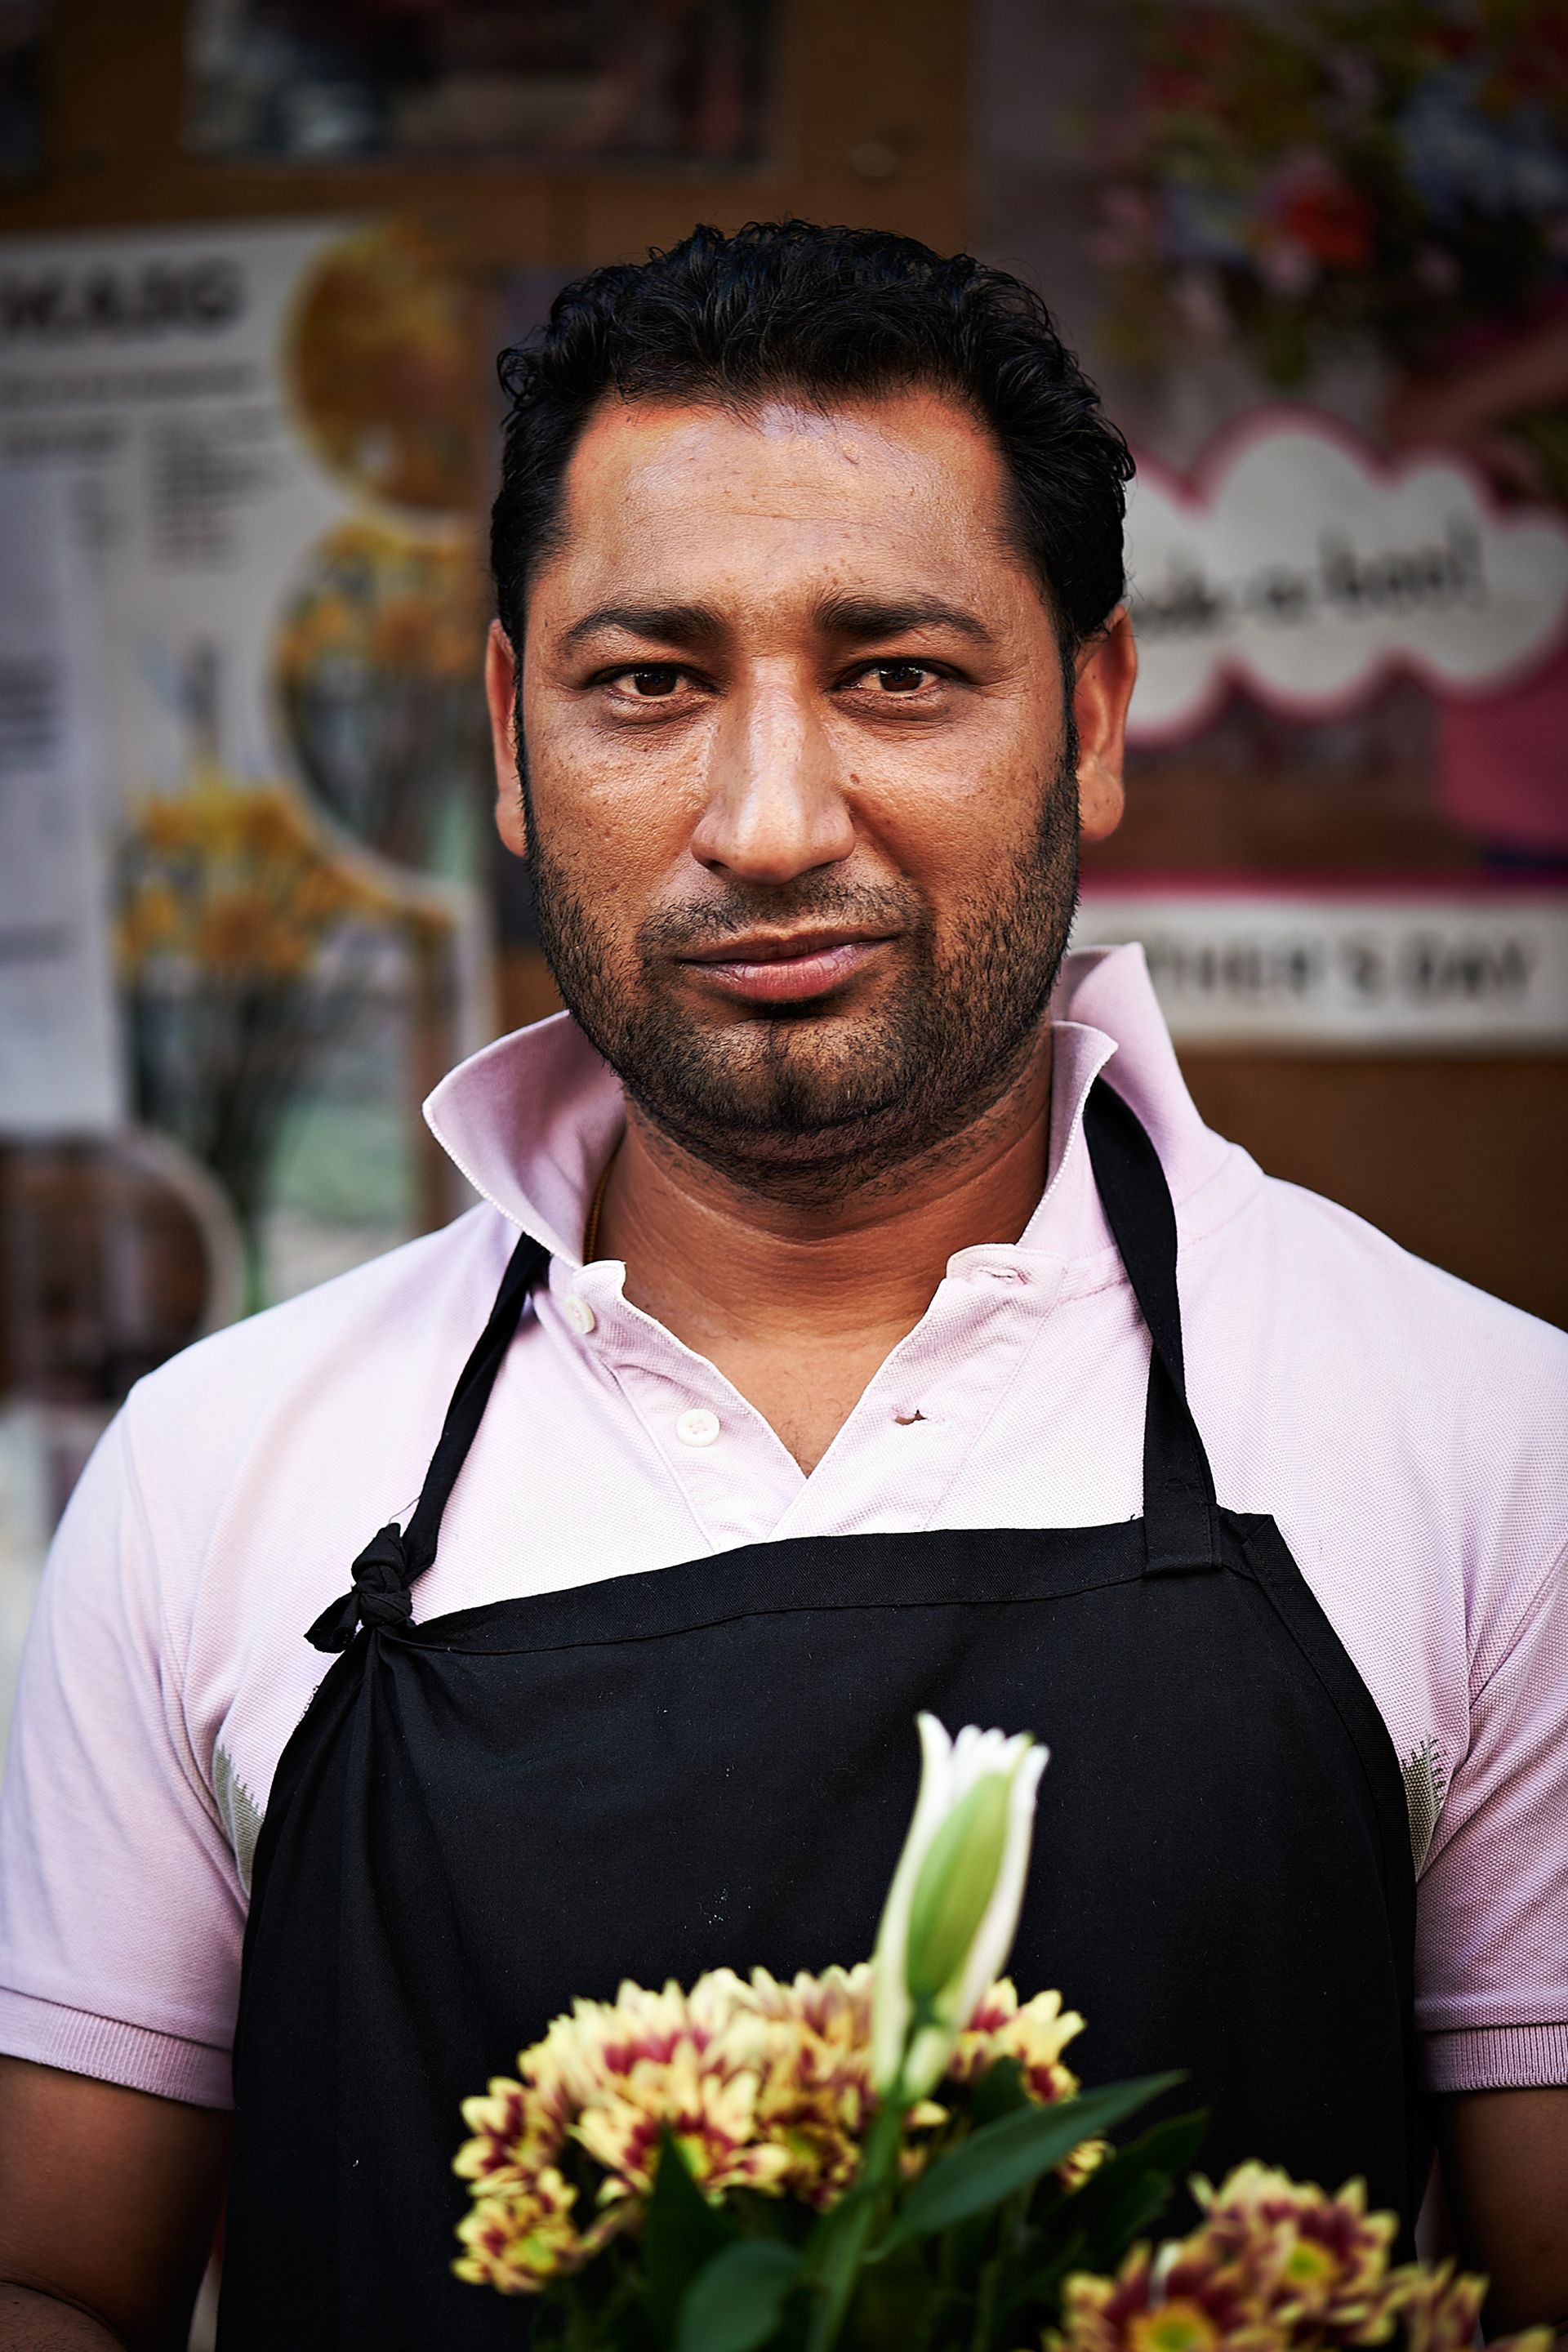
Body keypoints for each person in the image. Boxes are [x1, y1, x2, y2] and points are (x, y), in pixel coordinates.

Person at [0, 221, 1563, 2350]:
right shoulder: (220, 1473)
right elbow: (52, 2278)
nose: (765, 816)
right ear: (510, 731)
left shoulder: (1485, 1450)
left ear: (1093, 717)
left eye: (897, 674)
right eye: (648, 683)